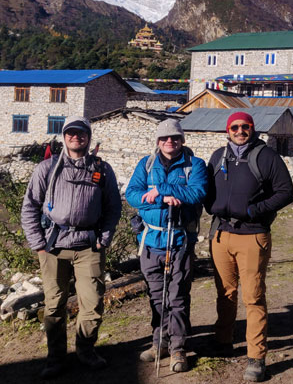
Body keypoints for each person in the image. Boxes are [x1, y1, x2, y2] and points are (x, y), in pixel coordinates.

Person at [21, 116, 121, 378]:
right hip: (54, 246)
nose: (76, 137)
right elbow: (30, 206)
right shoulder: (47, 168)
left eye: (81, 133)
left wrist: (105, 239)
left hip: (89, 245)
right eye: (71, 133)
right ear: (63, 137)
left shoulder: (103, 169)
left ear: (88, 137)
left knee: (93, 303)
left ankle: (85, 350)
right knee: (54, 305)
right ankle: (55, 358)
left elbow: (113, 207)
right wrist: (38, 244)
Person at [205, 111, 293, 382]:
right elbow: (206, 188)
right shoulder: (218, 156)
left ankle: (256, 357)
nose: (240, 131)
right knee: (225, 292)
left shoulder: (266, 156)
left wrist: (255, 210)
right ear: (227, 130)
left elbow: (285, 192)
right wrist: (211, 207)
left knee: (253, 297)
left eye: (245, 127)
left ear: (253, 129)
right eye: (235, 127)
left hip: (253, 235)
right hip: (221, 234)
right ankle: (223, 342)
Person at [126, 119, 208, 373]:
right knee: (156, 297)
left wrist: (159, 190)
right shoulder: (146, 164)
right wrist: (166, 197)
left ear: (182, 140)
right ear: (158, 141)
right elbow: (132, 195)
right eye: (164, 138)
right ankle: (159, 342)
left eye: (174, 138)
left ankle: (178, 348)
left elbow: (197, 193)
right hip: (150, 242)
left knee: (177, 297)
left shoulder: (195, 165)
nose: (169, 142)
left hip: (180, 241)